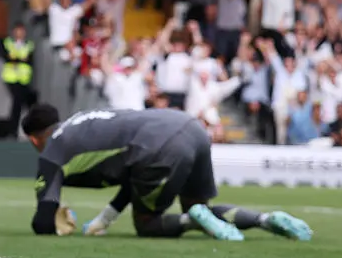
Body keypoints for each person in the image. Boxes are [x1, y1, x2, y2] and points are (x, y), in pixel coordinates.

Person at [20, 103, 313, 241]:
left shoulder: (51, 153)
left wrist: (58, 222)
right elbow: (132, 175)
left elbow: (42, 222)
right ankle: (264, 219)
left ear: (34, 140)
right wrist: (104, 219)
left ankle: (190, 220)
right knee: (200, 207)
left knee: (147, 224)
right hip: (189, 127)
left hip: (156, 146)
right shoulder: (84, 118)